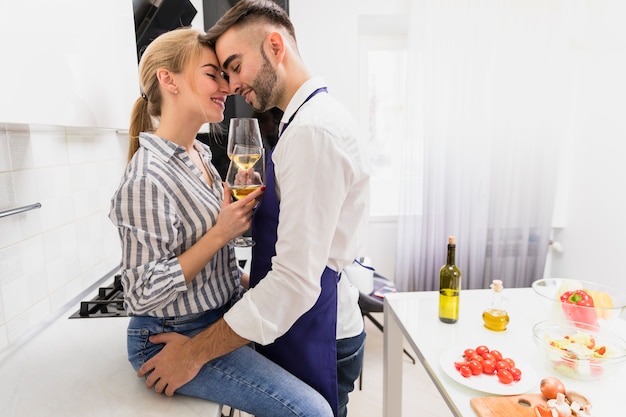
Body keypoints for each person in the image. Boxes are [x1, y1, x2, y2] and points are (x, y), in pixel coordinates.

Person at [138, 2, 370, 416]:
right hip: (308, 319)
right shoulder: (304, 122)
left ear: (275, 47)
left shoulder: (311, 132)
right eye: (218, 74)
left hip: (318, 324)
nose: (231, 84)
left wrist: (194, 353)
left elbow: (295, 282)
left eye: (233, 66)